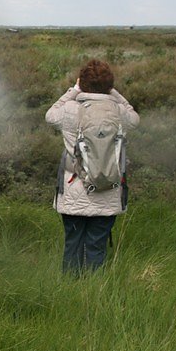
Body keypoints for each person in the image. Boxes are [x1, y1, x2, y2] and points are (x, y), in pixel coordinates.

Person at [45, 59, 139, 274]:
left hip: (74, 190)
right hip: (108, 190)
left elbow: (50, 115)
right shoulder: (118, 111)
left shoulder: (69, 109)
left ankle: (70, 292)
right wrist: (113, 93)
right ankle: (93, 291)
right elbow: (134, 117)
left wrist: (73, 90)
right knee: (97, 246)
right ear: (109, 84)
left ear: (82, 83)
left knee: (73, 244)